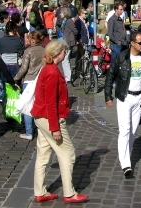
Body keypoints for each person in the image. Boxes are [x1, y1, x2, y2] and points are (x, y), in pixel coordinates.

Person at [31, 40, 88, 203]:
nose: (66, 54)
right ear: (58, 53)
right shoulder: (52, 72)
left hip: (41, 117)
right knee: (68, 154)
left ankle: (40, 191)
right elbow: (51, 103)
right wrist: (55, 127)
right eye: (64, 51)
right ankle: (69, 193)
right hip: (49, 118)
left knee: (43, 155)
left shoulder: (48, 69)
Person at [105, 30, 141, 179]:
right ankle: (126, 164)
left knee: (133, 131)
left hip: (139, 97)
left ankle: (127, 155)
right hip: (125, 97)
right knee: (125, 130)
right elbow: (110, 76)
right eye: (140, 43)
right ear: (132, 43)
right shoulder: (121, 57)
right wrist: (108, 96)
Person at [14, 30, 45, 140]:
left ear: (32, 40)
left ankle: (29, 132)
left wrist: (16, 78)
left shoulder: (28, 51)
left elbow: (23, 68)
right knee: (38, 104)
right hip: (40, 79)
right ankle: (41, 128)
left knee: (27, 106)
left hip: (29, 79)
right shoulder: (44, 50)